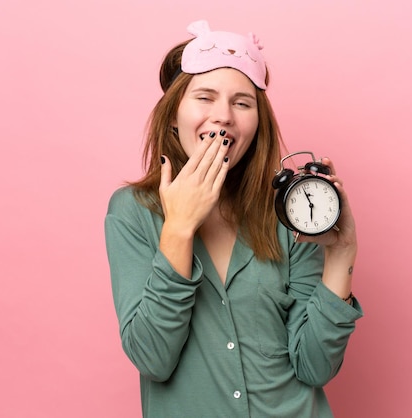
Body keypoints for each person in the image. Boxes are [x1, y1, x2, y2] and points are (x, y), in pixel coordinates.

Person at [105, 19, 363, 418]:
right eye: (205, 97)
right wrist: (178, 228)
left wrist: (341, 253)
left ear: (257, 125)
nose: (223, 116)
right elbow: (152, 358)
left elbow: (315, 367)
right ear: (173, 115)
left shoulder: (288, 212)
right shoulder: (132, 211)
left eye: (242, 103)